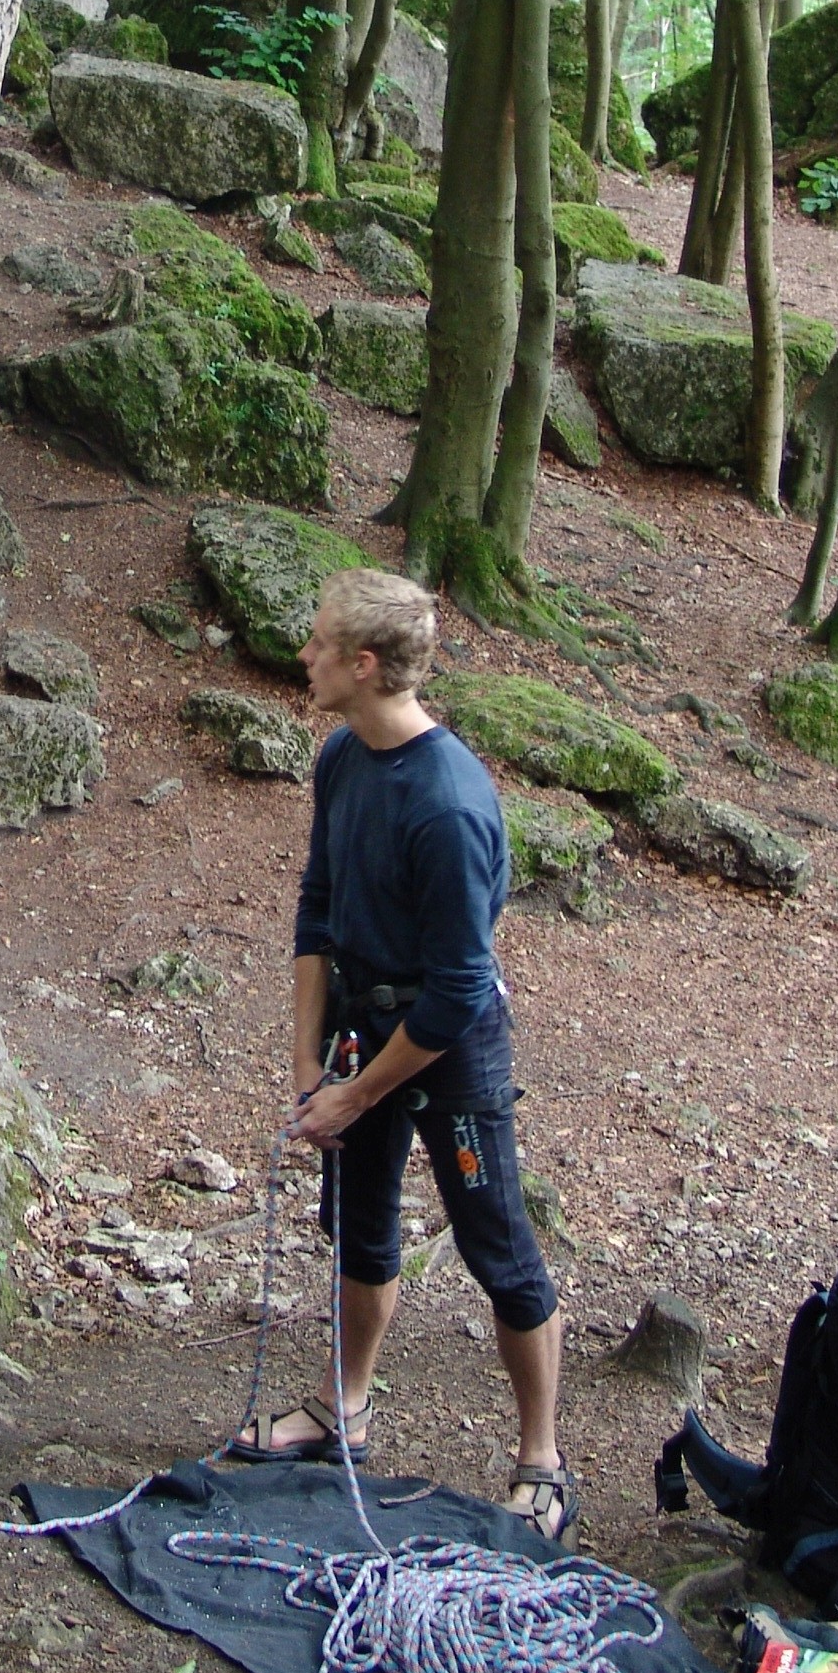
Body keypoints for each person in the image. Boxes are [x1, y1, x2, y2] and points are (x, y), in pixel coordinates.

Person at [234, 567, 573, 1543]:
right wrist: (310, 1067)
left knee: (494, 1243)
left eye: (318, 642)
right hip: (359, 1026)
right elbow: (317, 906)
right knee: (363, 1229)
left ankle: (542, 1459)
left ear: (365, 663)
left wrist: (357, 1095)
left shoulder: (450, 806)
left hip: (449, 1045)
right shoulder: (342, 758)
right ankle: (346, 1414)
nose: (303, 656)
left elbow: (462, 989)